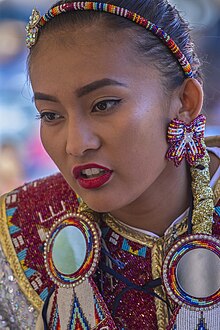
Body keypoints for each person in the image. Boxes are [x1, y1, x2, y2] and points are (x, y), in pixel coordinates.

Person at [0, 0, 219, 329]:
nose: (76, 145)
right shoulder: (18, 229)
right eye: (51, 115)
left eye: (103, 104)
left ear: (185, 101)